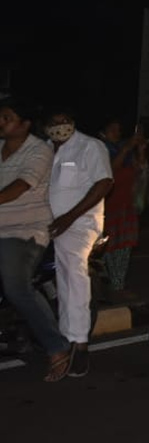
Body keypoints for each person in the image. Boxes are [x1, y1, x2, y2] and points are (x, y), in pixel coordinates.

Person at [0, 98, 72, 381]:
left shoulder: (39, 150)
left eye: (7, 117)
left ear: (25, 124)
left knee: (16, 287)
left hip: (24, 232)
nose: (1, 122)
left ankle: (57, 347)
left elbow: (19, 187)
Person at [44, 107, 113, 378]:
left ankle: (80, 344)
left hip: (80, 224)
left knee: (73, 275)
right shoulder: (45, 149)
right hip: (48, 224)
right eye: (54, 122)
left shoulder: (89, 146)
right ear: (45, 127)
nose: (60, 126)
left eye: (65, 121)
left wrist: (70, 217)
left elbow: (104, 183)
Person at [97, 119, 146, 298]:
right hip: (108, 206)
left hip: (126, 205)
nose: (117, 134)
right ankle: (106, 284)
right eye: (112, 130)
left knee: (123, 248)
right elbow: (109, 171)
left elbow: (140, 170)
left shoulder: (121, 150)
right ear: (102, 132)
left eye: (119, 130)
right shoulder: (101, 150)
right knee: (106, 248)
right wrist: (127, 148)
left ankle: (117, 285)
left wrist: (140, 151)